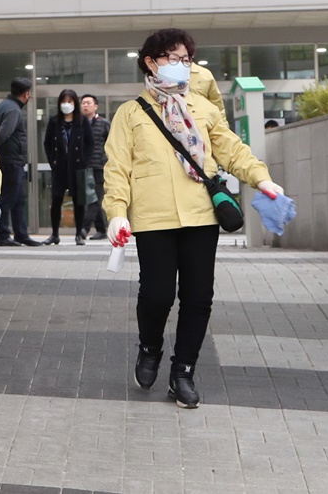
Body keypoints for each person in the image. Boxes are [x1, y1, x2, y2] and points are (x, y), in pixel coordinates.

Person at [103, 28, 284, 409]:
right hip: (153, 218)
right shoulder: (130, 113)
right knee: (157, 295)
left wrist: (262, 179)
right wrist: (117, 213)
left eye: (186, 59)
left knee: (198, 297)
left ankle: (183, 372)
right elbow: (117, 168)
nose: (181, 65)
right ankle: (150, 347)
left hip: (201, 215)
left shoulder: (203, 108)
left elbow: (233, 151)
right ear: (151, 62)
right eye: (172, 58)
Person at [0, 77, 40, 247]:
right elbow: (2, 134)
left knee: (19, 199)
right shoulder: (13, 110)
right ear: (26, 94)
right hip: (10, 161)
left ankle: (21, 234)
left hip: (10, 160)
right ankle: (3, 235)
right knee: (7, 199)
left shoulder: (4, 106)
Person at [42, 89, 93, 246]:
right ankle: (54, 234)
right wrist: (53, 161)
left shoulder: (82, 121)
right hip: (59, 167)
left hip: (77, 167)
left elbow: (90, 143)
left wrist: (84, 162)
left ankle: (78, 235)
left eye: (70, 101)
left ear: (75, 103)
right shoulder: (54, 121)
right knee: (56, 200)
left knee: (79, 201)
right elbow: (47, 143)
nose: (66, 104)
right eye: (64, 101)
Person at [79, 93, 110, 241]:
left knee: (96, 198)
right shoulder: (78, 124)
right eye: (83, 103)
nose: (85, 105)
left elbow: (111, 143)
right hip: (84, 166)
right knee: (90, 198)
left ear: (95, 106)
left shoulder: (103, 123)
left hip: (100, 166)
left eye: (88, 103)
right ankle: (101, 229)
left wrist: (106, 160)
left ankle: (84, 228)